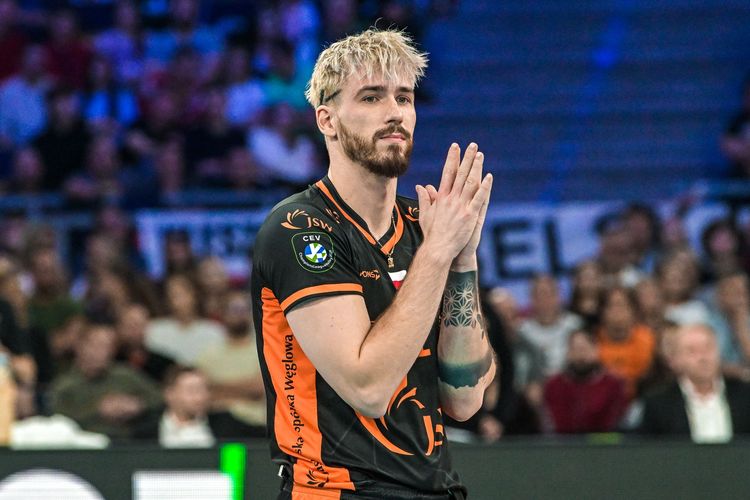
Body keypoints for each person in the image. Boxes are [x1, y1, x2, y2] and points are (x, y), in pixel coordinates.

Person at [250, 29, 494, 499]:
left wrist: (462, 258)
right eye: (371, 97)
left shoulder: (426, 226)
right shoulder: (299, 228)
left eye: (404, 97)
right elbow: (368, 389)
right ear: (327, 120)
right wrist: (438, 253)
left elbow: (464, 398)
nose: (394, 112)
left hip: (435, 488)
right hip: (337, 490)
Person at [639, 323, 750, 442]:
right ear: (676, 359)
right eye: (692, 351)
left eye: (708, 348)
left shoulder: (745, 395)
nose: (703, 357)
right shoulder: (658, 403)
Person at [49, 324, 162, 440]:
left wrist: (137, 405)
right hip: (83, 444)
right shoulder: (65, 385)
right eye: (96, 345)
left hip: (127, 442)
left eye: (107, 347)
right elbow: (57, 421)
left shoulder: (126, 375)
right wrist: (98, 409)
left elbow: (160, 398)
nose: (101, 352)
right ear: (80, 346)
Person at [132, 366, 263, 448]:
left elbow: (264, 437)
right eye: (192, 390)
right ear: (170, 394)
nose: (201, 397)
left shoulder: (226, 424)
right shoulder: (145, 433)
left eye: (204, 390)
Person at [544, 330, 628, 434]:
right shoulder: (554, 385)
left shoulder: (613, 384)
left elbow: (615, 420)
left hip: (602, 440)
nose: (581, 355)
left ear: (596, 350)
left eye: (584, 349)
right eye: (575, 349)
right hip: (563, 440)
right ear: (568, 353)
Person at [519, 274, 582, 376]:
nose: (545, 299)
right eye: (539, 295)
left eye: (550, 294)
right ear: (531, 299)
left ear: (559, 297)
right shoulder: (522, 331)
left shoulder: (575, 325)